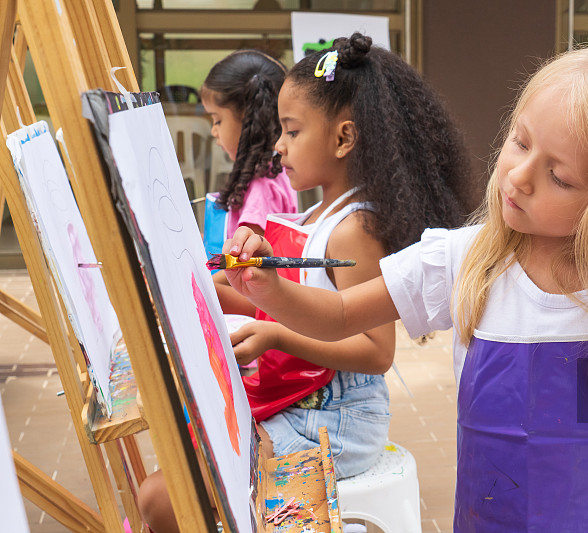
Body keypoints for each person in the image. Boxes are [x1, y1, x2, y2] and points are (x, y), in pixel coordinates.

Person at [222, 45, 588, 531]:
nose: (517, 175)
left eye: (559, 176)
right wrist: (270, 290)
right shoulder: (465, 262)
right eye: (519, 143)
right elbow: (342, 311)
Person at [139, 33, 471, 532]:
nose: (278, 145)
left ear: (343, 138)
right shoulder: (318, 215)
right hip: (305, 405)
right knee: (170, 487)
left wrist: (273, 334)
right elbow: (293, 309)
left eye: (292, 131)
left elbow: (377, 351)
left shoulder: (353, 229)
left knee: (170, 498)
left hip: (339, 421)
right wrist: (226, 286)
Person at [200, 49, 297, 239]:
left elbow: (247, 265)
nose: (213, 131)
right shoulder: (276, 170)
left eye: (217, 120)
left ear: (248, 119)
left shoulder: (261, 190)